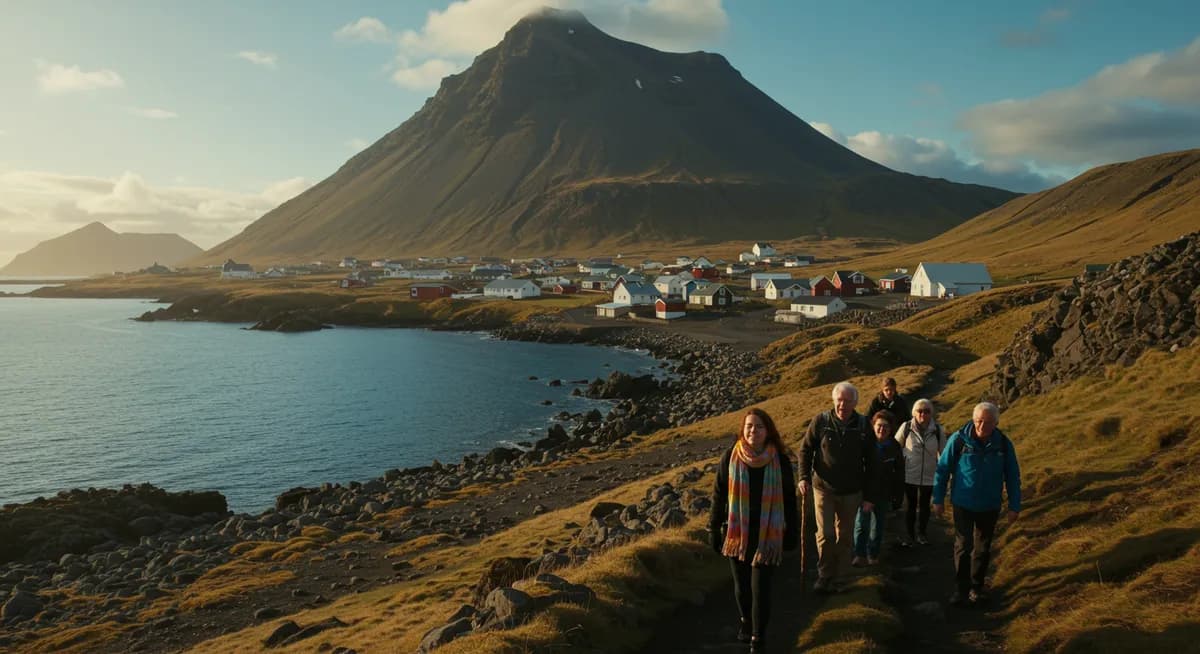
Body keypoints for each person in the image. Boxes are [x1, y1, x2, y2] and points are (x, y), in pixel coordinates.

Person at [710, 408, 799, 653]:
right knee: (742, 587)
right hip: (737, 533)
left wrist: (791, 532)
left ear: (767, 431)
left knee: (761, 587)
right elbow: (718, 495)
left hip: (767, 534)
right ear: (743, 429)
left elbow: (789, 500)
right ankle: (746, 621)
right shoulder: (731, 456)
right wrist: (713, 529)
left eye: (759, 426)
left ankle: (758, 637)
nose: (753, 431)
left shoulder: (778, 459)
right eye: (749, 426)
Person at [932, 402, 1021, 607]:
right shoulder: (959, 440)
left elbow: (1013, 476)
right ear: (973, 420)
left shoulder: (1004, 444)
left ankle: (976, 588)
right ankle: (960, 589)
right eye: (979, 421)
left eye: (987, 422)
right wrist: (937, 499)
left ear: (996, 423)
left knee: (982, 548)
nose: (982, 426)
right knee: (963, 546)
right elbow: (943, 469)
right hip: (963, 503)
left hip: (989, 505)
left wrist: (1014, 505)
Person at [798, 381, 879, 594]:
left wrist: (869, 496)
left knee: (844, 536)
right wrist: (803, 477)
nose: (842, 405)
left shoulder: (863, 425)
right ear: (834, 400)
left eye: (847, 401)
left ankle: (841, 578)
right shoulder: (821, 421)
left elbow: (872, 462)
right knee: (825, 534)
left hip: (852, 491)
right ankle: (825, 575)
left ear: (855, 402)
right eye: (839, 400)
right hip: (823, 488)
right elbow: (805, 450)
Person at [852, 411, 905, 566]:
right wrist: (865, 495)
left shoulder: (894, 446)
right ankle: (859, 554)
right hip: (865, 492)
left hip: (884, 493)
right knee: (861, 525)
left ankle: (873, 555)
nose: (882, 429)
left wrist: (897, 496)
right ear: (873, 426)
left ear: (891, 429)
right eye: (879, 425)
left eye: (886, 426)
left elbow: (899, 472)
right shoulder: (865, 444)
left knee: (878, 526)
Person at [895, 398, 945, 546]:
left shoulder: (938, 430)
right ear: (914, 413)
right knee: (910, 506)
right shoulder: (906, 427)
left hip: (929, 475)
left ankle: (922, 534)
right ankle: (910, 535)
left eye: (927, 411)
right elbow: (896, 447)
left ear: (931, 413)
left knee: (924, 506)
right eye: (920, 411)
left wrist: (943, 473)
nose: (923, 414)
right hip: (909, 474)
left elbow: (944, 452)